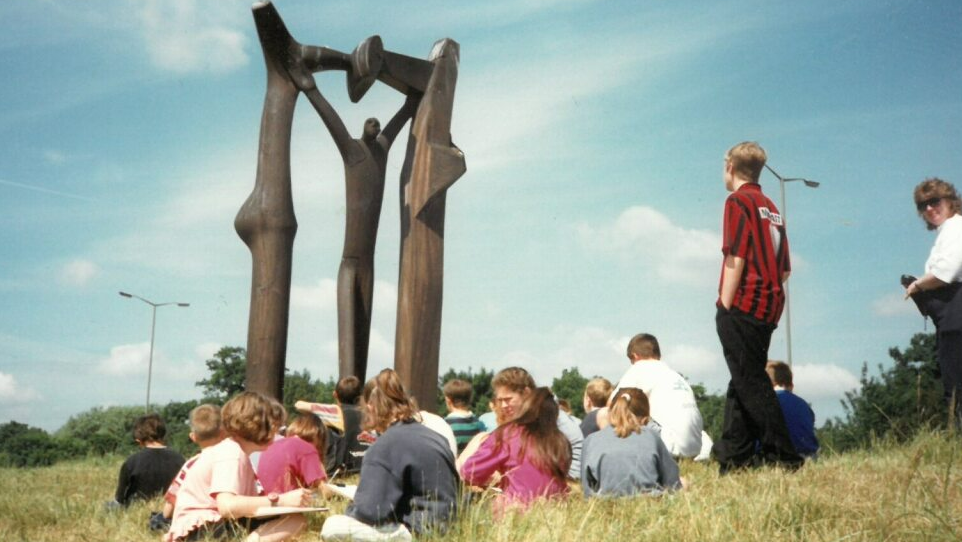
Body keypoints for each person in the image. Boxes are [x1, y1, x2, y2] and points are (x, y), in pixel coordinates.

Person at [713, 141, 803, 473]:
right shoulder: (771, 207)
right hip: (769, 304)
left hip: (743, 303)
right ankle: (735, 459)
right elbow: (785, 270)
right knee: (743, 377)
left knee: (751, 380)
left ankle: (784, 456)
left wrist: (725, 303)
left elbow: (734, 255)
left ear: (730, 167)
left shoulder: (737, 202)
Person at [320, 369, 458, 541]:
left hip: (418, 532)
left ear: (371, 406)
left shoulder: (385, 444)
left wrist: (351, 508)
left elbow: (369, 512)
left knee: (332, 526)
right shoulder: (435, 436)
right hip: (448, 529)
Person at [164, 392, 312, 542]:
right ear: (255, 426)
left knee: (292, 519)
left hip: (203, 528)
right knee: (293, 521)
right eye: (274, 427)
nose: (277, 433)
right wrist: (281, 500)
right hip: (202, 529)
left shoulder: (232, 450)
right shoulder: (232, 453)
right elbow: (228, 506)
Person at [905, 178, 962, 425]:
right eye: (923, 205)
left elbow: (945, 272)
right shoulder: (947, 232)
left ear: (950, 201)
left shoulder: (956, 228)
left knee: (956, 384)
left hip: (956, 310)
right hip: (949, 314)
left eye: (934, 201)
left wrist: (917, 285)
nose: (929, 209)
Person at [460, 387, 571, 513]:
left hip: (514, 515)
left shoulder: (508, 434)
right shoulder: (561, 441)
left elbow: (469, 472)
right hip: (554, 513)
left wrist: (494, 481)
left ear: (525, 408)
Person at [608, 334, 704, 458]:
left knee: (617, 410)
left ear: (635, 356)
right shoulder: (675, 376)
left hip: (668, 447)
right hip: (695, 449)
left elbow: (612, 403)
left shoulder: (640, 367)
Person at [485, 367, 583, 480]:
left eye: (508, 399)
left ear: (526, 393)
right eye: (500, 400)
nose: (503, 406)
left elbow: (576, 455)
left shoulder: (552, 417)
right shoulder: (521, 418)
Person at [581, 388, 682, 497]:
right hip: (648, 501)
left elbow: (587, 491)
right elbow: (673, 484)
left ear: (610, 413)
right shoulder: (652, 436)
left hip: (605, 503)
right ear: (645, 420)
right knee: (684, 483)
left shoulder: (590, 440)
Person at [159, 405, 226, 527]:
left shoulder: (190, 465)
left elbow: (169, 507)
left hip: (190, 527)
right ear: (224, 433)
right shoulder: (233, 460)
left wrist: (164, 517)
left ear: (193, 437)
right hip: (224, 522)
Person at [296, 375, 369, 475]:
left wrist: (322, 408)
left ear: (335, 394)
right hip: (365, 467)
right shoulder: (369, 414)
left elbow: (299, 405)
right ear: (360, 396)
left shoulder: (334, 412)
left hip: (342, 471)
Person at [112, 413, 185, 507]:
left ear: (139, 440)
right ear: (163, 435)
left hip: (136, 509)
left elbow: (120, 498)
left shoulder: (132, 461)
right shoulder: (179, 459)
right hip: (170, 508)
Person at [258, 414, 328, 493]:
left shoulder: (273, 444)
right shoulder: (307, 449)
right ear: (320, 439)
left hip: (267, 499)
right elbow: (323, 490)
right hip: (288, 501)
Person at [765, 361, 819, 459]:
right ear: (790, 384)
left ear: (771, 382)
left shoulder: (766, 403)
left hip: (780, 459)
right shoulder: (804, 405)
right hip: (809, 457)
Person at [442, 379, 486, 454]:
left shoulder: (444, 425)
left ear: (448, 400)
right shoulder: (480, 424)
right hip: (474, 465)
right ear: (470, 399)